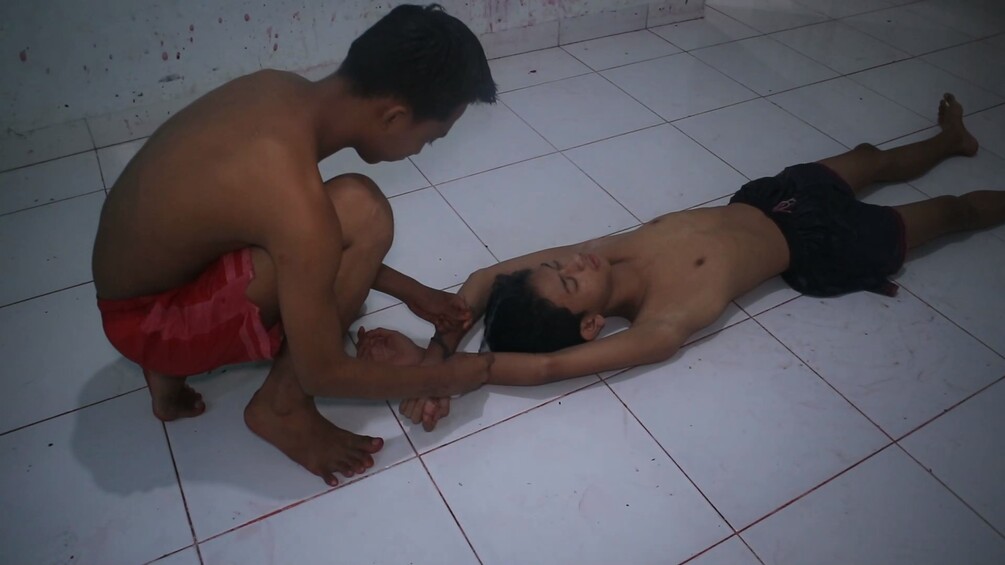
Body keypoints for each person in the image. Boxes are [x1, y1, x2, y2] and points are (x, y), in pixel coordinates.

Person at [357, 93, 1004, 431]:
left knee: (871, 157)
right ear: (591, 325)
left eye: (558, 265)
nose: (572, 260)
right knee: (952, 213)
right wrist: (454, 376)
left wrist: (435, 356)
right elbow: (548, 364)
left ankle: (950, 140)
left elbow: (482, 280)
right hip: (825, 246)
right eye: (569, 280)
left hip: (772, 198)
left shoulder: (607, 253)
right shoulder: (663, 322)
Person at [91, 4, 497, 486]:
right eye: (429, 140)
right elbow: (322, 371)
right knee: (364, 211)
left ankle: (166, 375)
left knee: (338, 216)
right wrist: (445, 377)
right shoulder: (293, 198)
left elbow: (280, 236)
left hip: (142, 289)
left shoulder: (275, 89)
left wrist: (412, 292)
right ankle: (281, 408)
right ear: (394, 117)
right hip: (152, 324)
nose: (420, 150)